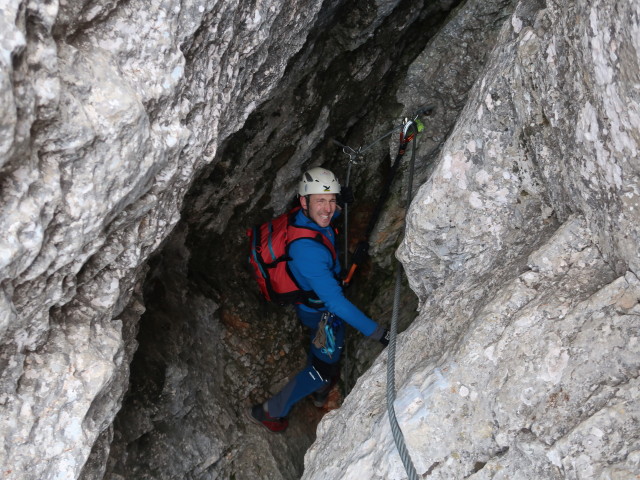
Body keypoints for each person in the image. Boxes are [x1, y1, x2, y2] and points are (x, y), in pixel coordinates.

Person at [246, 166, 390, 433]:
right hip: (323, 313)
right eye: (321, 201)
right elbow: (335, 304)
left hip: (315, 302)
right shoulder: (306, 251)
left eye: (331, 200)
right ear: (304, 201)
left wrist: (338, 205)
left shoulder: (302, 217)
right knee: (323, 367)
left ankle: (321, 391)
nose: (328, 208)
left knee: (325, 358)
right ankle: (270, 411)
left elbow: (324, 220)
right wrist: (380, 333)